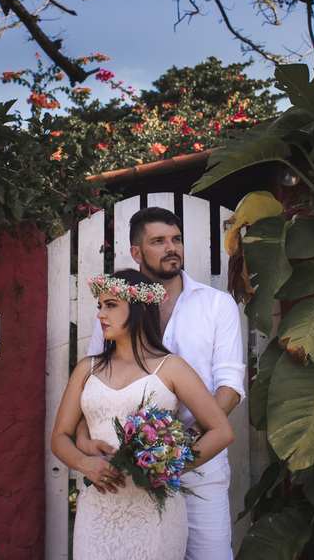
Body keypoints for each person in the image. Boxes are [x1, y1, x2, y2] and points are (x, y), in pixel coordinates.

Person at [81, 207, 246, 560]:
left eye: (176, 239)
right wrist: (83, 440)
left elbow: (230, 384)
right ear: (136, 253)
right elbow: (93, 379)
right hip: (128, 473)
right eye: (159, 241)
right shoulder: (113, 311)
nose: (172, 248)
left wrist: (175, 449)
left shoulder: (217, 305)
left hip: (201, 463)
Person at [51, 270, 234, 560]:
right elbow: (60, 436)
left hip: (154, 512)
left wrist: (170, 468)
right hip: (97, 509)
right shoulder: (87, 369)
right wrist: (84, 463)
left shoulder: (171, 368)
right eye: (100, 306)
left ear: (137, 309)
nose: (101, 315)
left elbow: (222, 432)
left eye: (110, 305)